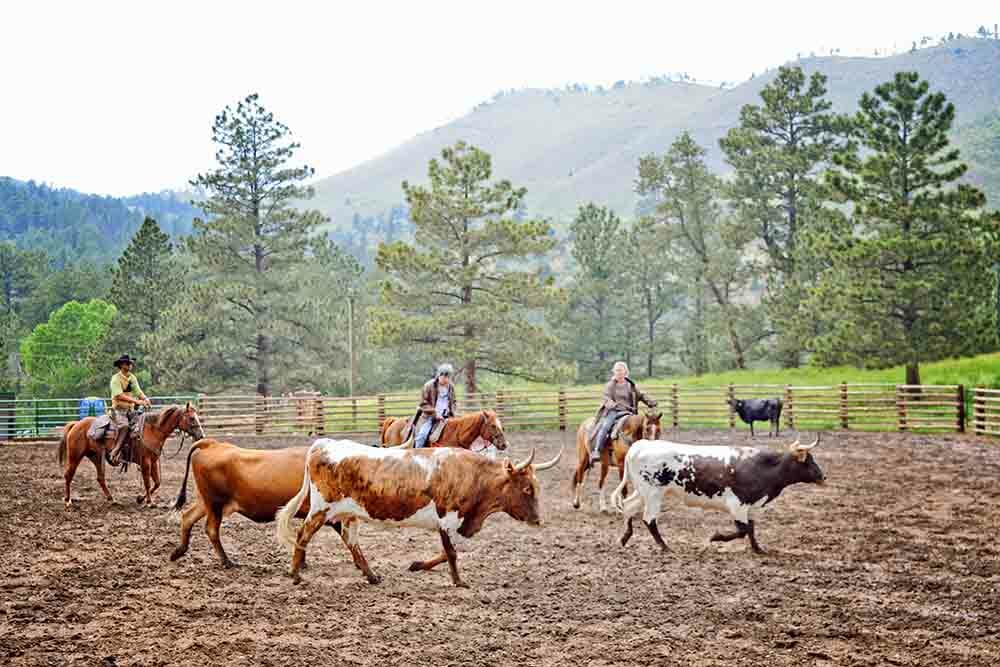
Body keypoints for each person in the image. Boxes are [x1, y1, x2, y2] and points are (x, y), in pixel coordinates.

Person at [589, 361, 657, 462]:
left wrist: (650, 402)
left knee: (644, 426)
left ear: (626, 372)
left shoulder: (631, 385)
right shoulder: (610, 385)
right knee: (606, 426)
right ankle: (597, 450)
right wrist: (613, 405)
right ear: (614, 372)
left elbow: (641, 395)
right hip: (614, 412)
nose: (619, 373)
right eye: (617, 371)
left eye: (621, 370)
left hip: (629, 412)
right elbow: (606, 398)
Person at [107, 354, 151, 465]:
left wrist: (145, 398)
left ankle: (137, 453)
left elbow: (138, 391)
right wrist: (136, 401)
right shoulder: (115, 379)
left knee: (141, 426)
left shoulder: (132, 377)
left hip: (130, 410)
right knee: (125, 426)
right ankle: (115, 452)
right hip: (118, 410)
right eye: (127, 363)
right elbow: (118, 395)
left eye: (131, 363)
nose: (130, 365)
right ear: (121, 365)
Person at [414, 363, 456, 448]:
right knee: (422, 436)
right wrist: (435, 414)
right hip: (430, 417)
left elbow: (454, 402)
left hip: (447, 417)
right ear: (439, 375)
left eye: (448, 377)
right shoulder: (429, 386)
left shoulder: (451, 387)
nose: (446, 379)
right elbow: (423, 404)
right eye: (443, 376)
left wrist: (452, 411)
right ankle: (417, 453)